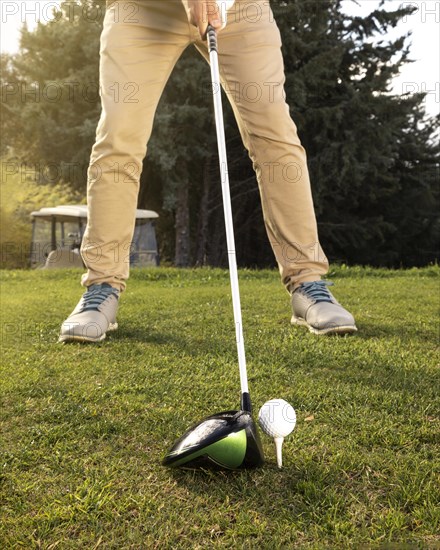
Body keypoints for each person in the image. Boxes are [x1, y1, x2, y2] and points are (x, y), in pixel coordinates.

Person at [59, 0, 357, 343]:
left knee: (275, 137)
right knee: (118, 140)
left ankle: (308, 283)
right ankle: (102, 287)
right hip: (141, 9)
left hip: (241, 9)